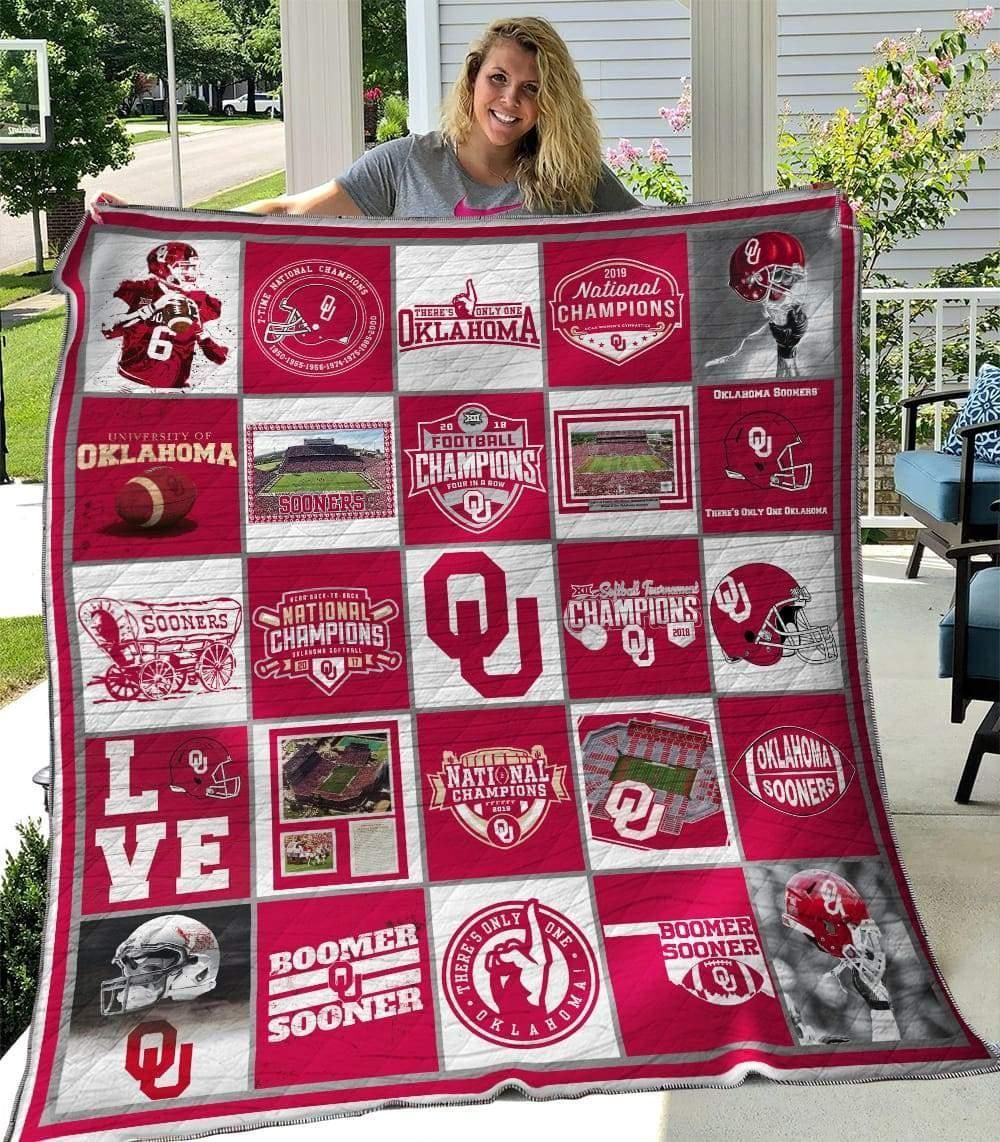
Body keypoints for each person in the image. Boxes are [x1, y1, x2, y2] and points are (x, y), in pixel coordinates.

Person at [92, 17, 640, 220]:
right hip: (423, 381)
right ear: (474, 77)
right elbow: (289, 210)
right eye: (498, 78)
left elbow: (658, 239)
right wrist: (154, 222)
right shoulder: (404, 165)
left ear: (550, 102)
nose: (510, 99)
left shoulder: (573, 175)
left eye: (531, 89)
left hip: (537, 384)